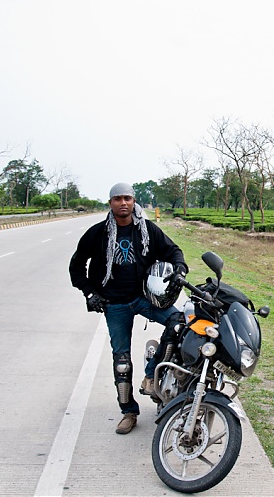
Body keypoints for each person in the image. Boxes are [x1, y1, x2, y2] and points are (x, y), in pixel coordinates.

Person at [69, 182, 188, 434]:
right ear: (110, 203)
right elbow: (76, 266)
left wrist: (180, 269)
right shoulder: (97, 233)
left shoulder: (147, 230)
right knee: (121, 361)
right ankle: (128, 412)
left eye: (128, 198)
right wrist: (90, 292)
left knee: (177, 321)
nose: (123, 203)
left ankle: (151, 375)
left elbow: (173, 251)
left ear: (134, 202)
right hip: (114, 303)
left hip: (144, 298)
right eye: (118, 199)